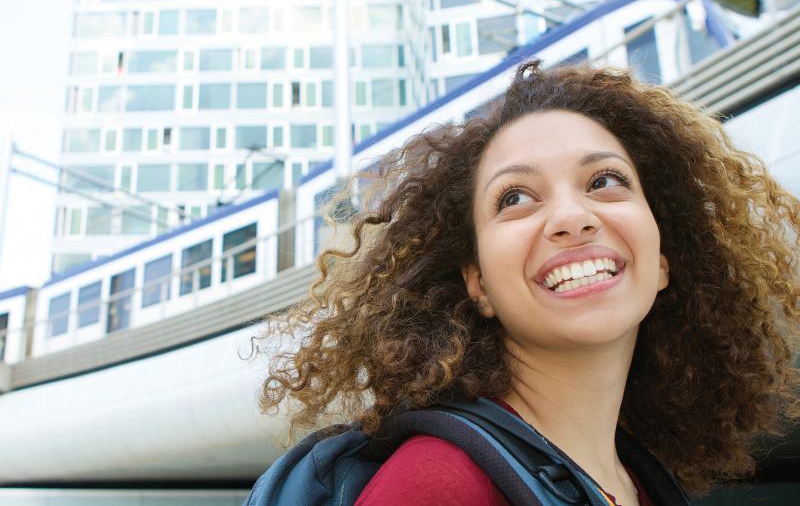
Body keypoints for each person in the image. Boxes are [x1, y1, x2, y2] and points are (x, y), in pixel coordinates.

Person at [256, 60, 800, 504]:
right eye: (515, 197)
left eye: (604, 181)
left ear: (662, 259)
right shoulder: (439, 486)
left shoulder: (636, 481)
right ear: (478, 285)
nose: (572, 217)